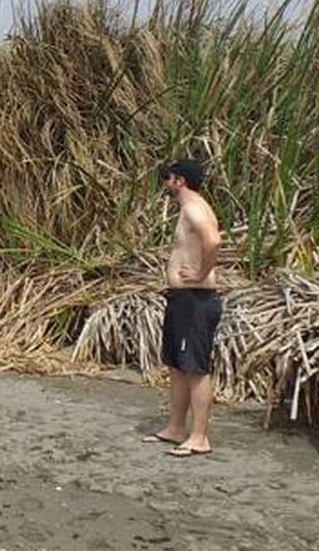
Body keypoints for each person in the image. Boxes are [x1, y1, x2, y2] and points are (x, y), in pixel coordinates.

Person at [145, 159, 222, 457]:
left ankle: (199, 437)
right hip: (181, 299)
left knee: (195, 369)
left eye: (168, 178)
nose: (165, 183)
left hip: (196, 300)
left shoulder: (194, 207)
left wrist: (202, 273)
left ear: (180, 181)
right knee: (177, 367)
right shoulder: (188, 209)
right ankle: (176, 428)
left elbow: (213, 241)